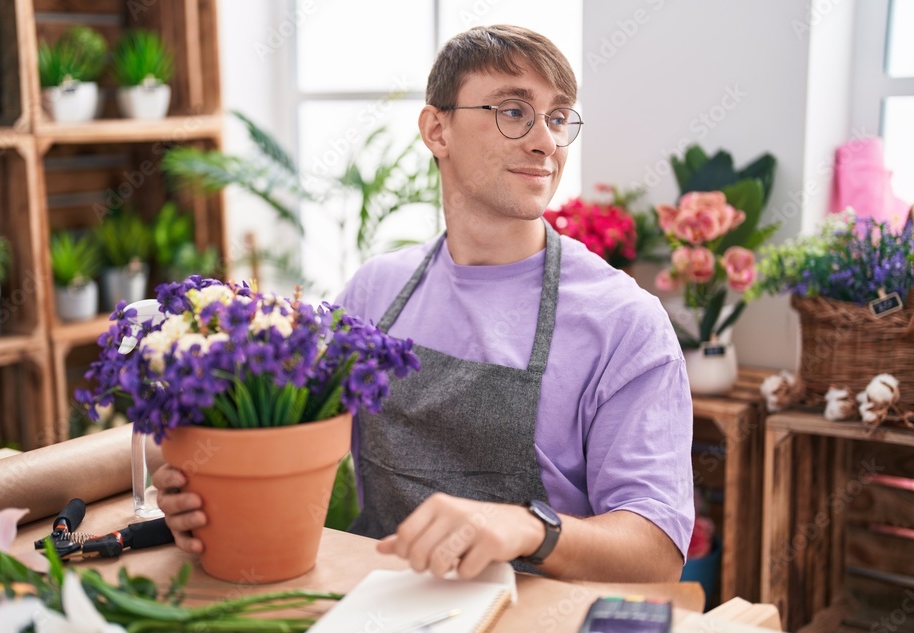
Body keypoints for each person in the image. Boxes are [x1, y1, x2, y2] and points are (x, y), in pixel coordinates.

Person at [154, 24, 693, 583]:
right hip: (372, 608)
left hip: (535, 630)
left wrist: (532, 528)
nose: (546, 143)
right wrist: (198, 482)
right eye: (514, 111)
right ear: (438, 129)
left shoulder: (625, 322)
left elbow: (656, 550)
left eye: (557, 118)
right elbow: (276, 434)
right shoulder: (374, 292)